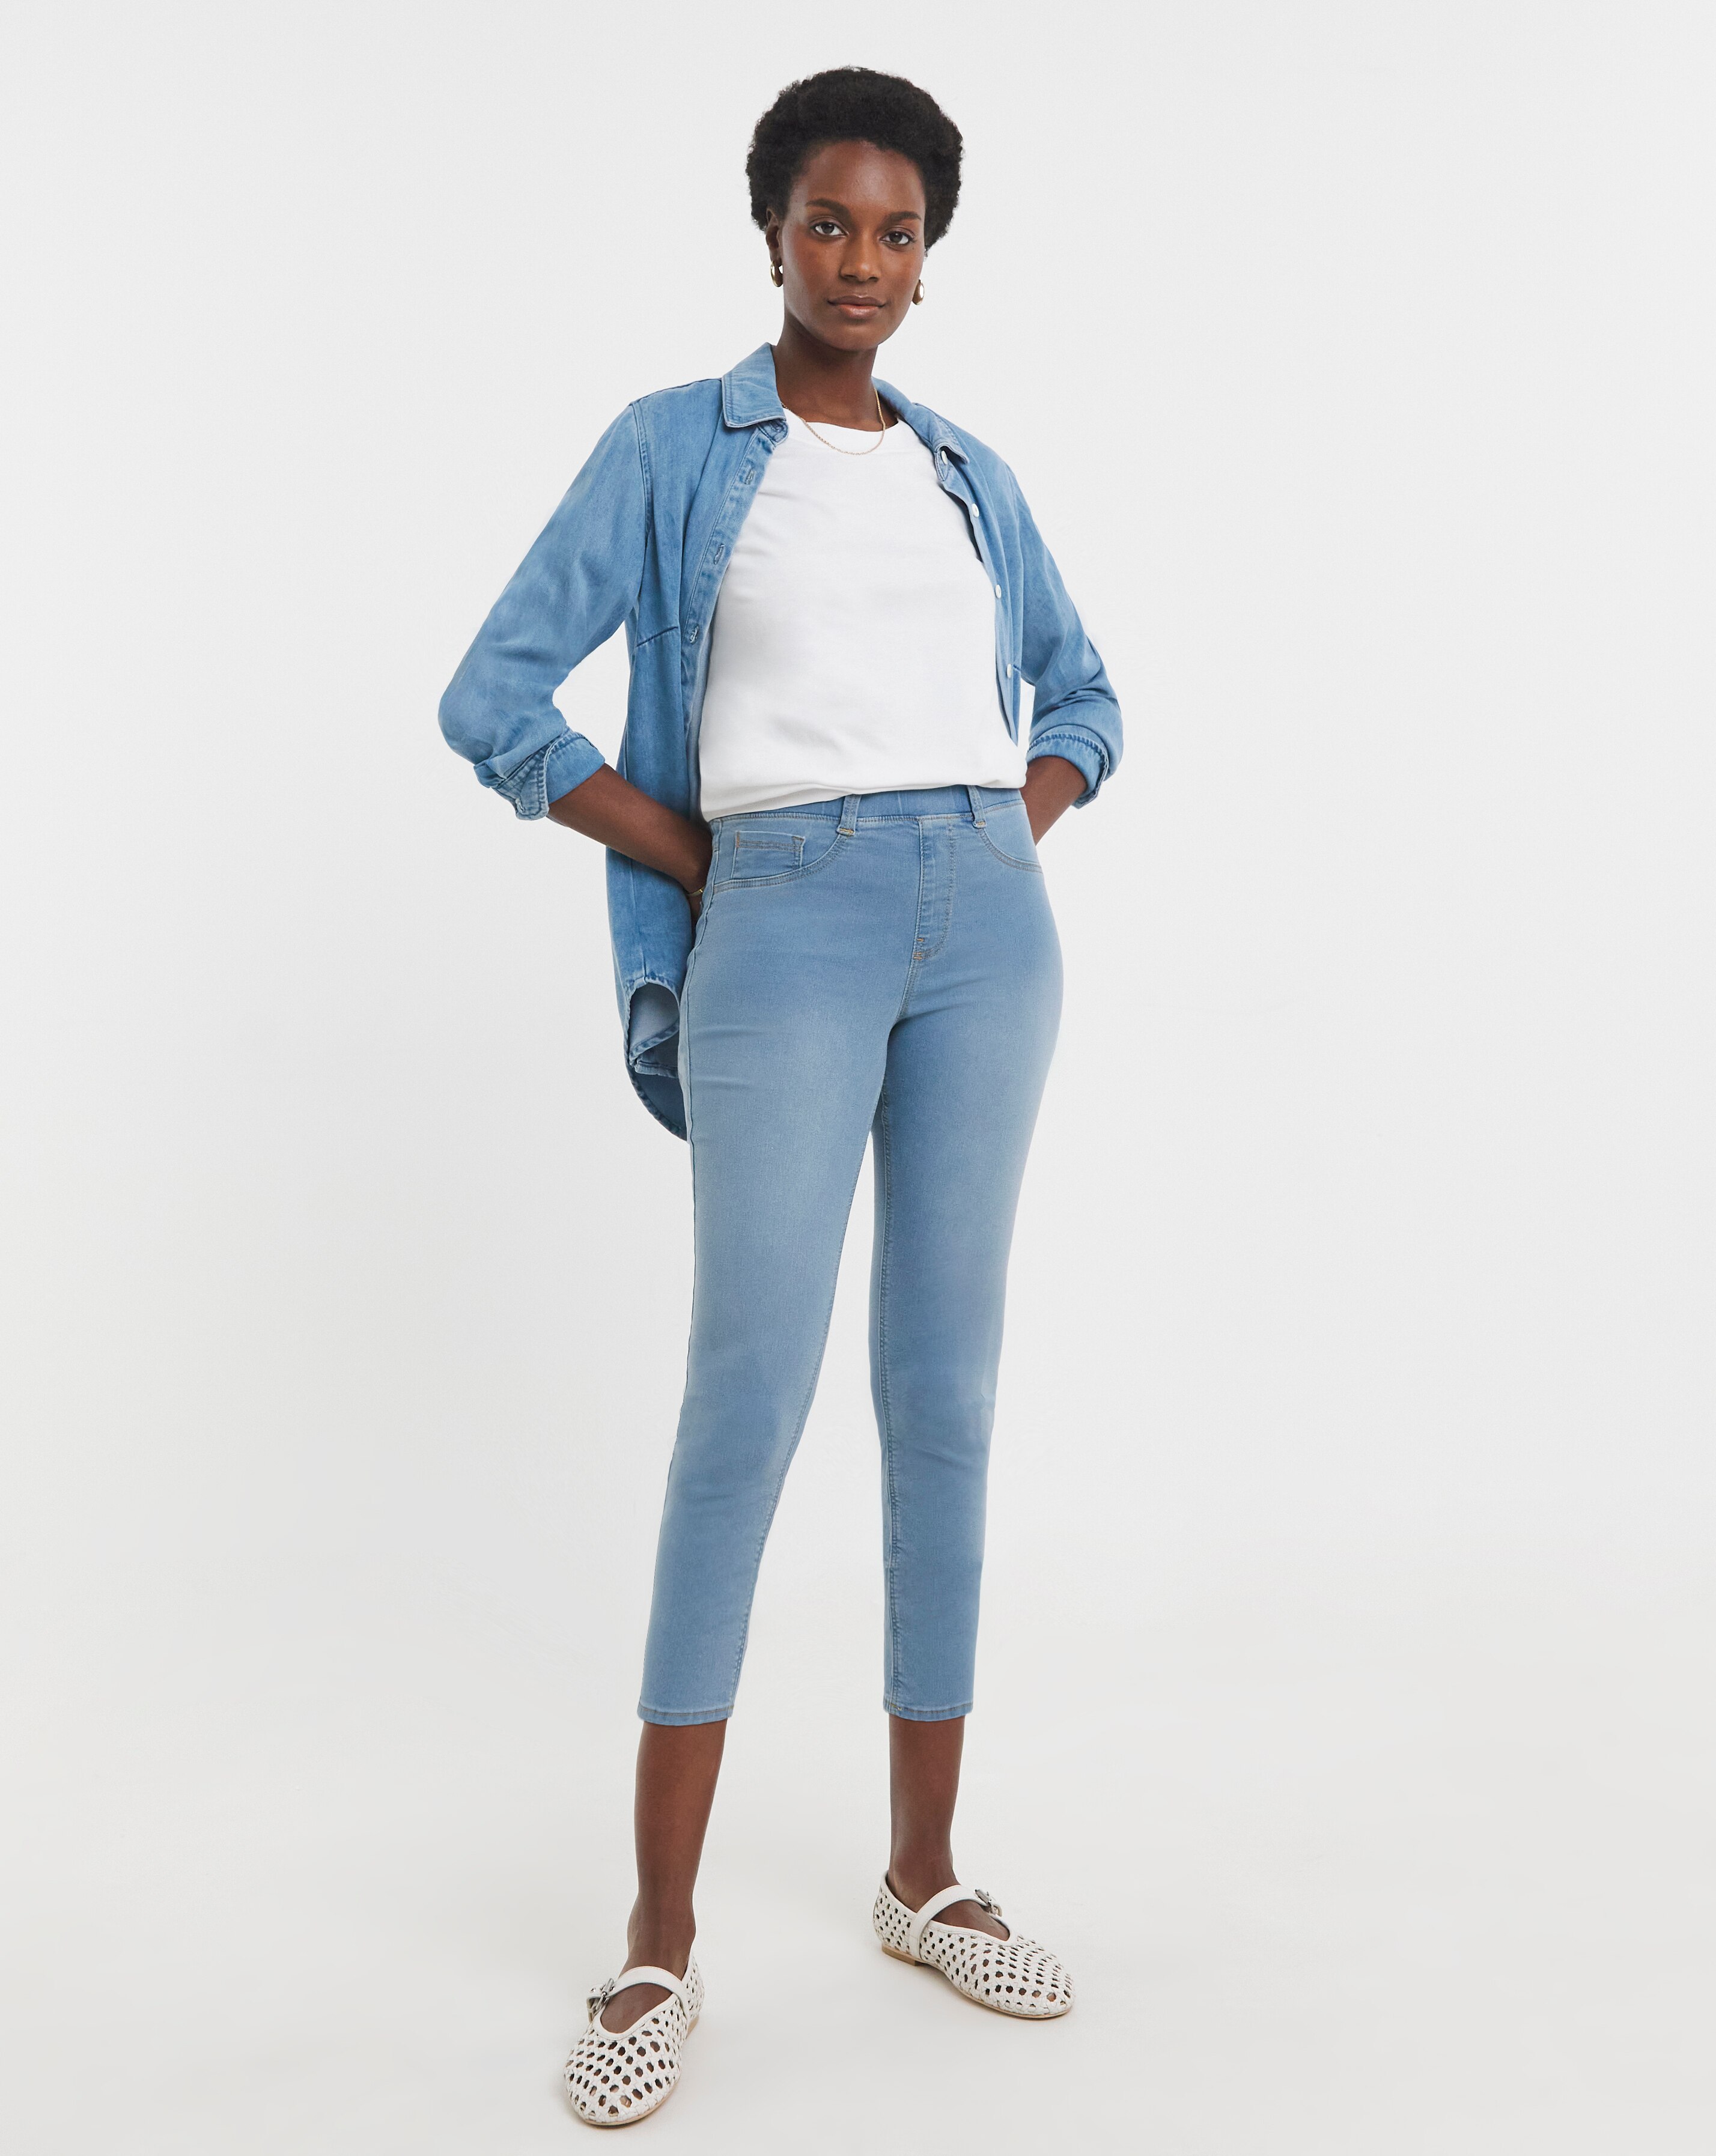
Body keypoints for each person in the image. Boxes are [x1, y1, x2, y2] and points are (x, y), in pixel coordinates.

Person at [439, 65, 1122, 2127]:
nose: (863, 263)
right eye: (831, 223)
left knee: (948, 1396)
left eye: (899, 232)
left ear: (931, 256)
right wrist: (701, 857)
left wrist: (1002, 828)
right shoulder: (673, 446)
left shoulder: (970, 475)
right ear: (771, 234)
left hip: (983, 925)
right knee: (746, 1401)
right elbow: (493, 696)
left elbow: (1088, 696)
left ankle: (926, 1876)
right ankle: (658, 1940)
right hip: (779, 916)